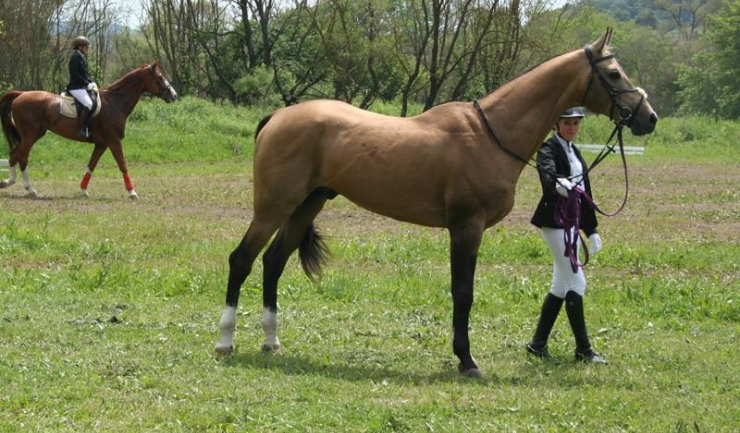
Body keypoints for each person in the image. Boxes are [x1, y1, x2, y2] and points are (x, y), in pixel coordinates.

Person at [526, 107, 607, 364]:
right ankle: (583, 350)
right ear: (557, 125)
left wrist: (591, 229)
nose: (572, 128)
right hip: (554, 222)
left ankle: (537, 345)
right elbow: (548, 174)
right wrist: (560, 184)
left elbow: (584, 192)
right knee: (577, 284)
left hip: (571, 222)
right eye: (567, 123)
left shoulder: (575, 151)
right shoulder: (548, 148)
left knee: (560, 286)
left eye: (575, 123)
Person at [67, 36, 96, 139]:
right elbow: (74, 74)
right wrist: (86, 83)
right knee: (88, 104)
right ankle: (79, 129)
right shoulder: (75, 57)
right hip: (76, 87)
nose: (87, 49)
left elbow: (85, 73)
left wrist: (91, 82)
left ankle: (89, 128)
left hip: (81, 86)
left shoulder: (81, 56)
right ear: (80, 47)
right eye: (86, 47)